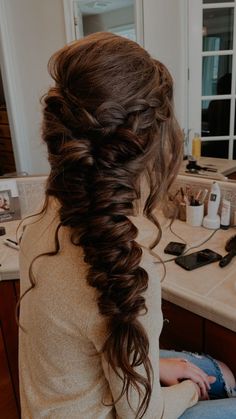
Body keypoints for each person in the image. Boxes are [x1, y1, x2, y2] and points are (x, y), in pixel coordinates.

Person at [18, 32, 236, 419]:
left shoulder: (40, 222)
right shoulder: (125, 274)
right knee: (226, 385)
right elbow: (143, 415)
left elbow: (86, 343)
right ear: (148, 149)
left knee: (215, 374)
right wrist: (187, 391)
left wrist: (150, 365)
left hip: (49, 405)